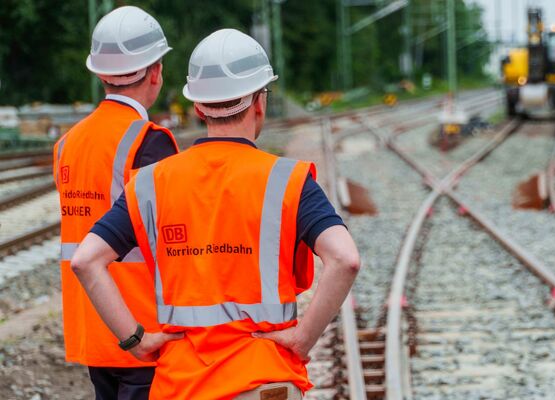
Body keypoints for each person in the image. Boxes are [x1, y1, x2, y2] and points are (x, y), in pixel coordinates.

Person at [69, 29, 360, 400]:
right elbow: (345, 259)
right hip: (263, 380)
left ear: (198, 107)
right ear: (259, 102)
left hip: (181, 386)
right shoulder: (288, 180)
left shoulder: (149, 184)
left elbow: (86, 260)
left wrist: (136, 340)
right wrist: (303, 339)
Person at [53, 6, 178, 400]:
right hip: (142, 331)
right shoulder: (150, 141)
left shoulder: (67, 143)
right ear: (155, 72)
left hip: (94, 327)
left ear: (100, 73)